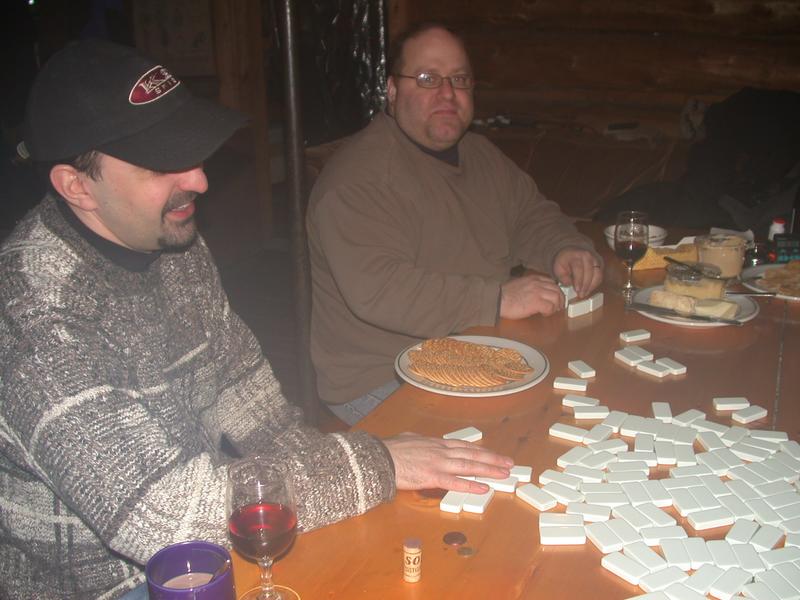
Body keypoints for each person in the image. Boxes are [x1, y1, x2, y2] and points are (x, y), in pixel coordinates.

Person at [0, 39, 513, 600]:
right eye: (161, 162)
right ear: (77, 187)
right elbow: (167, 516)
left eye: (192, 150)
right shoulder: (31, 313)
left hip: (204, 545)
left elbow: (253, 405)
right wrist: (379, 463)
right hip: (107, 585)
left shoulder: (173, 246)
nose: (198, 179)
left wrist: (359, 472)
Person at [307, 23, 603, 424]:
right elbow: (382, 289)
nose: (447, 93)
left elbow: (530, 214)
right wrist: (499, 299)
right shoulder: (359, 179)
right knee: (524, 439)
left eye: (459, 79)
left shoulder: (480, 154)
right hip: (382, 379)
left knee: (589, 395)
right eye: (428, 78)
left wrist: (562, 247)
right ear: (392, 92)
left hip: (481, 346)